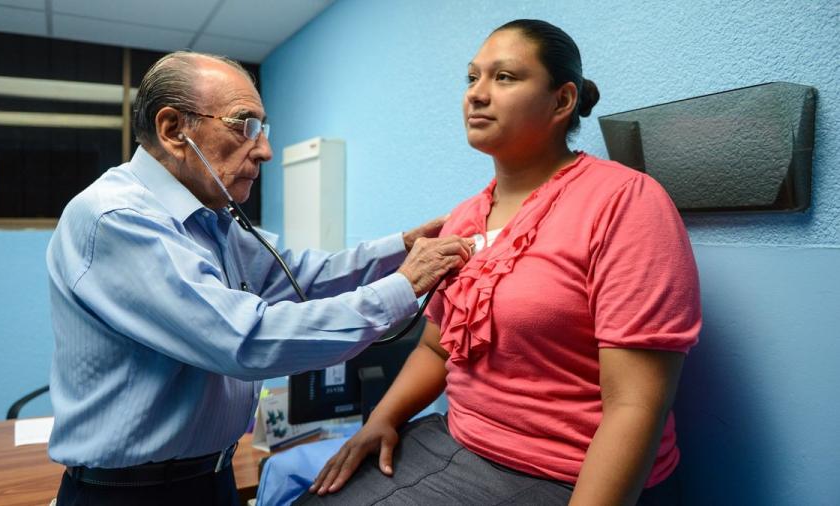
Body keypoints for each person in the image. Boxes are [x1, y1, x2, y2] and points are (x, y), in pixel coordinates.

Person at [46, 51, 473, 506]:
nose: (265, 149)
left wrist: (401, 248)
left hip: (209, 479)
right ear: (173, 130)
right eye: (244, 125)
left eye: (262, 128)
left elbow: (304, 276)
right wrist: (404, 286)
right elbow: (244, 339)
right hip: (134, 495)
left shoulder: (212, 219)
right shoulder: (116, 219)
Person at [301, 19, 701, 505]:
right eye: (472, 78)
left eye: (505, 77)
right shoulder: (466, 216)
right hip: (459, 439)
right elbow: (435, 349)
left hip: (567, 473)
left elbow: (635, 403)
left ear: (562, 101)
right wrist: (382, 420)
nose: (477, 94)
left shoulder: (625, 202)